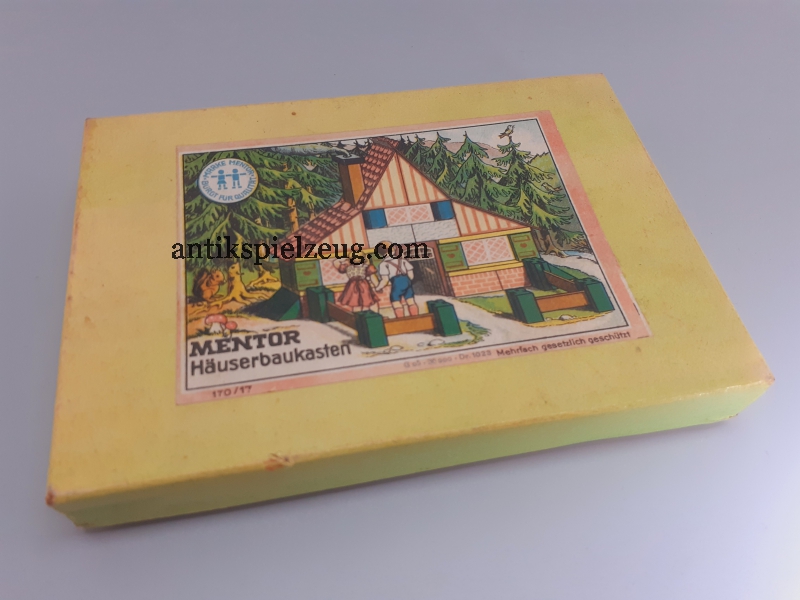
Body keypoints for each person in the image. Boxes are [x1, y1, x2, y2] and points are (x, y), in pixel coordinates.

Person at [375, 243, 418, 318]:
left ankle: (401, 320)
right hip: (407, 281)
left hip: (396, 283)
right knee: (410, 300)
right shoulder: (402, 260)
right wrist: (407, 281)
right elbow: (411, 275)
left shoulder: (383, 264)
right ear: (393, 249)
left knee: (395, 301)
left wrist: (378, 288)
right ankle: (416, 318)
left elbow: (385, 280)